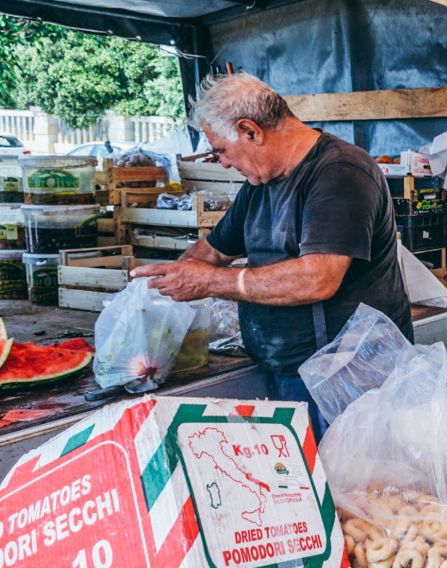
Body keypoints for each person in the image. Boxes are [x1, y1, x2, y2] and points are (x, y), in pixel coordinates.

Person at [132, 73, 412, 439]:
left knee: (357, 492)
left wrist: (210, 281)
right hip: (290, 372)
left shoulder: (340, 172)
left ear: (250, 131)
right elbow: (211, 252)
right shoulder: (260, 185)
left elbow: (317, 278)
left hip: (350, 378)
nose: (223, 163)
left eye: (221, 150)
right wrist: (159, 292)